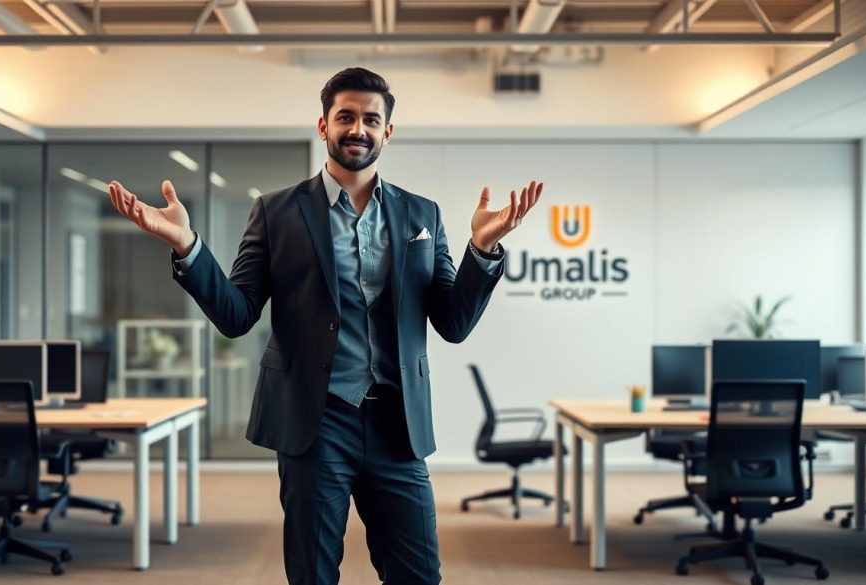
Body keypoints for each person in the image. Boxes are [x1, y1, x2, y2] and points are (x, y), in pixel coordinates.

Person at [108, 67, 543, 585]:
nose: (357, 128)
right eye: (346, 117)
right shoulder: (276, 212)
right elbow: (236, 313)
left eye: (370, 119)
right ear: (323, 126)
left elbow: (453, 322)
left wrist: (482, 251)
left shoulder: (420, 214)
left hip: (396, 425)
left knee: (420, 575)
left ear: (388, 132)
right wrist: (188, 247)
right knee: (312, 576)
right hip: (316, 423)